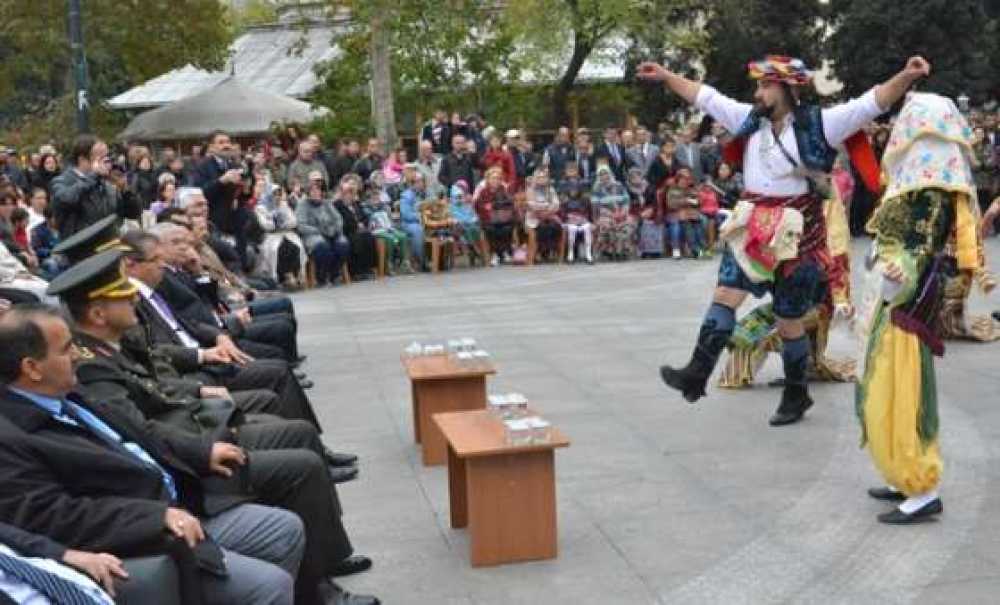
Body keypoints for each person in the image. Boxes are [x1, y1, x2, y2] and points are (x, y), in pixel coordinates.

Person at [638, 53, 930, 426]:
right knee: (725, 294)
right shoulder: (748, 119)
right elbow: (705, 96)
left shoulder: (822, 123)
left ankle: (796, 393)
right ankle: (697, 372)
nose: (758, 93)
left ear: (787, 88)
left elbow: (872, 102)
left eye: (765, 85)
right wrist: (666, 75)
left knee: (788, 320)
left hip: (799, 234)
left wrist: (906, 74)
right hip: (752, 228)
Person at [0, 305, 304, 605]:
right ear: (32, 368)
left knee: (284, 529)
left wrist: (199, 452)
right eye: (67, 349)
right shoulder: (11, 436)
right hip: (148, 537)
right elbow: (51, 515)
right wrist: (154, 517)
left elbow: (140, 432)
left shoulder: (66, 394)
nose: (78, 355)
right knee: (270, 586)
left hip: (182, 499)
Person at [856, 93, 980, 524]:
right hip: (894, 291)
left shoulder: (931, 193)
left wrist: (898, 274)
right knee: (885, 380)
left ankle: (923, 487)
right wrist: (879, 261)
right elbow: (894, 240)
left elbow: (920, 248)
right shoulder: (915, 188)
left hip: (907, 296)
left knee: (902, 386)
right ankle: (901, 472)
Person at [50, 135, 141, 238]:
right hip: (81, 245)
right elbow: (67, 199)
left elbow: (133, 213)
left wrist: (125, 190)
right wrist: (93, 175)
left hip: (109, 243)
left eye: (107, 156)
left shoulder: (105, 183)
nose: (106, 162)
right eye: (101, 158)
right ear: (82, 159)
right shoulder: (62, 182)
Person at [296, 177, 349, 287]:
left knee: (343, 244)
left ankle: (335, 274)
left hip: (331, 231)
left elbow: (338, 218)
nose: (316, 193)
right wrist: (318, 230)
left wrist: (336, 228)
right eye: (313, 191)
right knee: (322, 246)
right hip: (313, 234)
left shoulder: (326, 203)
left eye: (318, 190)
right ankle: (322, 277)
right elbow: (301, 225)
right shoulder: (302, 205)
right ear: (308, 193)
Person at [254, 184, 308, 289]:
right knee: (278, 249)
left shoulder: (283, 205)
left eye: (279, 194)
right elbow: (264, 224)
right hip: (271, 236)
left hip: (286, 233)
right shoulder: (261, 208)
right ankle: (285, 276)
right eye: (275, 194)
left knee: (296, 246)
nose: (277, 197)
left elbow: (293, 221)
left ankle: (296, 275)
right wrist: (275, 222)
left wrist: (284, 223)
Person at [333, 178, 377, 279]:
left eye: (351, 193)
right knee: (356, 240)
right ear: (342, 194)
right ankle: (356, 271)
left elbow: (365, 217)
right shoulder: (337, 205)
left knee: (369, 237)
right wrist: (356, 226)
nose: (349, 195)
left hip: (360, 230)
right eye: (346, 193)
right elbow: (341, 221)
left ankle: (367, 268)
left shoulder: (356, 204)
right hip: (347, 231)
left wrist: (364, 224)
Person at [591, 165, 635, 261]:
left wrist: (623, 212)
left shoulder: (619, 186)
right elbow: (596, 207)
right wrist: (610, 215)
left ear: (610, 174)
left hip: (621, 213)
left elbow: (626, 201)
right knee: (606, 225)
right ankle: (608, 251)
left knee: (628, 224)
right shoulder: (596, 189)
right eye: (601, 174)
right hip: (605, 215)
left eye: (605, 173)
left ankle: (621, 251)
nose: (604, 176)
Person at [473, 167, 515, 265]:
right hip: (488, 219)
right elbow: (479, 205)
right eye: (493, 178)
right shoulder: (483, 191)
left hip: (503, 218)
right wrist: (488, 207)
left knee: (507, 228)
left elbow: (510, 203)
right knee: (491, 229)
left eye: (498, 178)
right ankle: (494, 253)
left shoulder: (504, 190)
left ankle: (504, 252)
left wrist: (494, 205)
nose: (495, 180)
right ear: (488, 179)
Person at [558, 163, 594, 264]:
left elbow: (587, 202)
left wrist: (589, 219)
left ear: (577, 171)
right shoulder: (562, 184)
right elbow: (562, 203)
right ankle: (570, 254)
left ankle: (588, 255)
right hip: (569, 215)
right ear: (565, 172)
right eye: (569, 170)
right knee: (572, 228)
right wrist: (565, 218)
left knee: (587, 228)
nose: (571, 172)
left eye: (573, 170)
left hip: (581, 214)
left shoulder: (584, 183)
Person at [524, 168, 562, 260]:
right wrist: (546, 207)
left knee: (555, 227)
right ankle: (538, 253)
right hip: (534, 218)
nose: (541, 179)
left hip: (549, 216)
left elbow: (556, 204)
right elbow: (531, 205)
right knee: (539, 228)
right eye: (539, 177)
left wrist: (546, 211)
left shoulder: (551, 189)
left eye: (544, 177)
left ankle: (551, 252)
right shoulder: (530, 190)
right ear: (534, 178)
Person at [448, 180, 486, 263]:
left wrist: (474, 219)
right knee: (464, 229)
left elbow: (473, 214)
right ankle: (473, 248)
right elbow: (451, 215)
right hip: (458, 225)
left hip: (470, 223)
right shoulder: (452, 204)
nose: (460, 198)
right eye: (458, 197)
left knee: (474, 228)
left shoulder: (468, 202)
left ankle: (472, 248)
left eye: (461, 195)